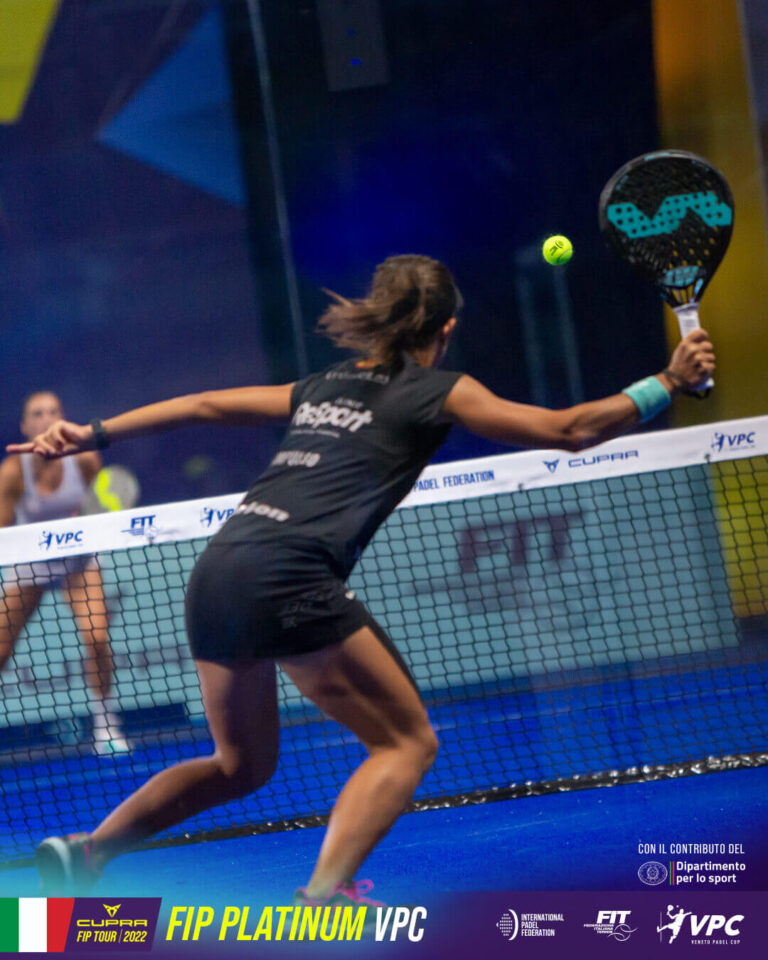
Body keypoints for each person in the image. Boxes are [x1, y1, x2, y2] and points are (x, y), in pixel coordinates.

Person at [8, 255, 715, 904]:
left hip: (220, 571)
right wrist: (668, 382)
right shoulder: (440, 389)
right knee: (408, 742)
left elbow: (203, 405)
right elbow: (569, 430)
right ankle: (324, 897)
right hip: (290, 574)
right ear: (447, 328)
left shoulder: (323, 385)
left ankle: (89, 851)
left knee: (239, 766)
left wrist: (93, 432)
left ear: (379, 317)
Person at [0, 391, 129, 755]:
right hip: (32, 560)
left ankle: (106, 725)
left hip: (78, 560)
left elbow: (103, 503)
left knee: (97, 637)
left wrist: (88, 516)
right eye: (38, 413)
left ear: (62, 418)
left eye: (53, 411)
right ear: (25, 426)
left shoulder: (84, 458)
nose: (47, 418)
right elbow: (2, 531)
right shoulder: (13, 472)